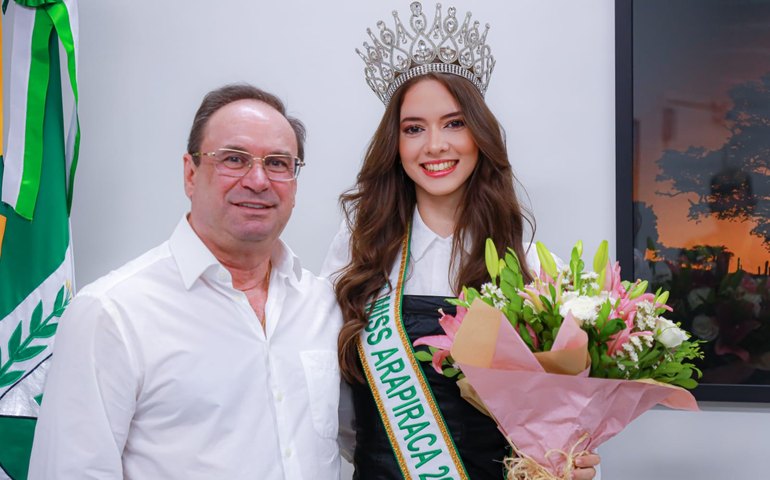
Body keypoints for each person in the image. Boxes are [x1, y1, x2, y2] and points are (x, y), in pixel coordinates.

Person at [322, 2, 601, 479]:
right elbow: (336, 409)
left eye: (454, 123)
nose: (435, 145)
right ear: (396, 145)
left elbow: (559, 419)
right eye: (414, 129)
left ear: (480, 135)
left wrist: (569, 461)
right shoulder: (359, 252)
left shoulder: (532, 266)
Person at [29, 84, 344, 479]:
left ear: (294, 182)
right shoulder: (111, 314)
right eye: (234, 159)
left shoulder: (323, 306)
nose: (258, 180)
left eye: (278, 163)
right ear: (190, 174)